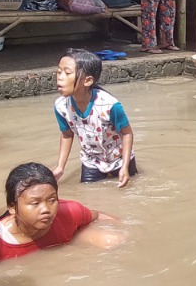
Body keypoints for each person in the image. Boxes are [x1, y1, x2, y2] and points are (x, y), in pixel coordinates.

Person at [0, 162, 121, 261]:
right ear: (12, 207)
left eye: (52, 200)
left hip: (66, 238)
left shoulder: (69, 212)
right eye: (35, 203)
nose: (46, 209)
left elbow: (98, 215)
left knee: (113, 240)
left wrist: (126, 226)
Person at [51, 48, 137, 187]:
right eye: (59, 71)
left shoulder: (109, 105)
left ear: (88, 81)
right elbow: (67, 135)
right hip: (91, 160)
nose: (60, 77)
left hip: (119, 157)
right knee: (88, 194)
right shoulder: (61, 106)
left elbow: (127, 133)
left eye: (67, 73)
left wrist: (125, 167)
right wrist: (60, 167)